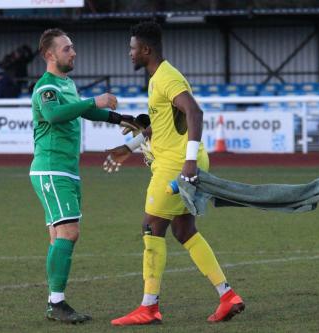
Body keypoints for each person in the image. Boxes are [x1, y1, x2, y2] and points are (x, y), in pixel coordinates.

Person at [104, 21, 245, 326]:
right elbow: (162, 126)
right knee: (184, 231)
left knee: (151, 227)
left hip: (177, 164)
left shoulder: (166, 77)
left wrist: (190, 163)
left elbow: (194, 112)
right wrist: (129, 147)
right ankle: (227, 296)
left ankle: (149, 307)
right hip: (181, 161)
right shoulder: (158, 78)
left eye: (132, 48)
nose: (129, 53)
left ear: (146, 49)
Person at [29, 28, 140, 324]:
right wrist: (95, 101)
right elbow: (54, 115)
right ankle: (56, 302)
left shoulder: (67, 85)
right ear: (49, 55)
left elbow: (83, 112)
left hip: (66, 170)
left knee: (58, 235)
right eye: (67, 48)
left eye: (72, 47)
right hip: (51, 169)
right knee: (69, 233)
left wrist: (121, 118)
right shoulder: (46, 88)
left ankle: (55, 302)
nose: (73, 52)